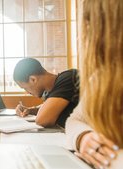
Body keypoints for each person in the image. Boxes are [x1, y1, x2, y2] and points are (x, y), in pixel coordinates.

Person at [65, 0, 122, 168]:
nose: (83, 34)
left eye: (90, 21)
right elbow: (74, 120)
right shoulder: (102, 77)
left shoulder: (66, 78)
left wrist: (111, 159)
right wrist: (84, 137)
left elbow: (44, 118)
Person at [13, 58, 79, 128]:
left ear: (33, 79)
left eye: (25, 88)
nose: (27, 92)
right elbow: (50, 107)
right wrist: (29, 110)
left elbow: (42, 121)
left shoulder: (68, 78)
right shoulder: (51, 92)